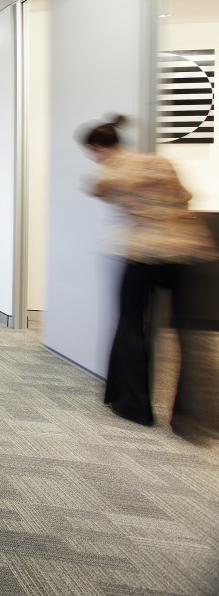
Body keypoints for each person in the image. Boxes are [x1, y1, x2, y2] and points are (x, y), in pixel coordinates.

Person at [79, 114, 217, 428]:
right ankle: (191, 419)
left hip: (142, 254)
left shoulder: (108, 176)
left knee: (131, 327)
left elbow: (99, 189)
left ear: (95, 148)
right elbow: (186, 196)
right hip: (187, 251)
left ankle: (133, 407)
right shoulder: (159, 163)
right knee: (186, 335)